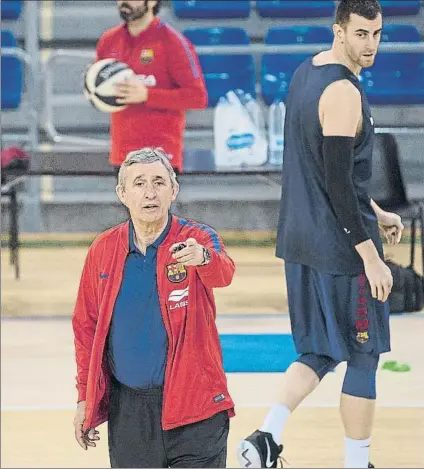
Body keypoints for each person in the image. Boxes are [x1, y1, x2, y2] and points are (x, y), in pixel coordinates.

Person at [237, 1, 405, 468]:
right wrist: (369, 256)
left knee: (318, 350)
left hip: (300, 241)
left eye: (376, 34)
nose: (370, 45)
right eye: (361, 34)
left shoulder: (305, 71)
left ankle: (265, 437)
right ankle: (357, 463)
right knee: (364, 355)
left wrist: (378, 210)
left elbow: (329, 172)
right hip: (340, 250)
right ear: (339, 31)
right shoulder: (343, 93)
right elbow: (335, 183)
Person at [72, 147, 235, 468]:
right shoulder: (103, 249)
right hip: (129, 410)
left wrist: (202, 258)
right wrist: (85, 398)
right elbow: (85, 328)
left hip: (197, 406)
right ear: (122, 193)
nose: (150, 193)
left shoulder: (197, 237)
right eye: (139, 183)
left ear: (174, 190)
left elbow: (223, 271)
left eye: (159, 182)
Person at [95, 0, 207, 174]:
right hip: (123, 155)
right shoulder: (108, 41)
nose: (124, 2)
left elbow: (198, 97)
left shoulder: (172, 42)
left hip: (161, 155)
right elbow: (102, 92)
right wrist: (91, 84)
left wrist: (147, 95)